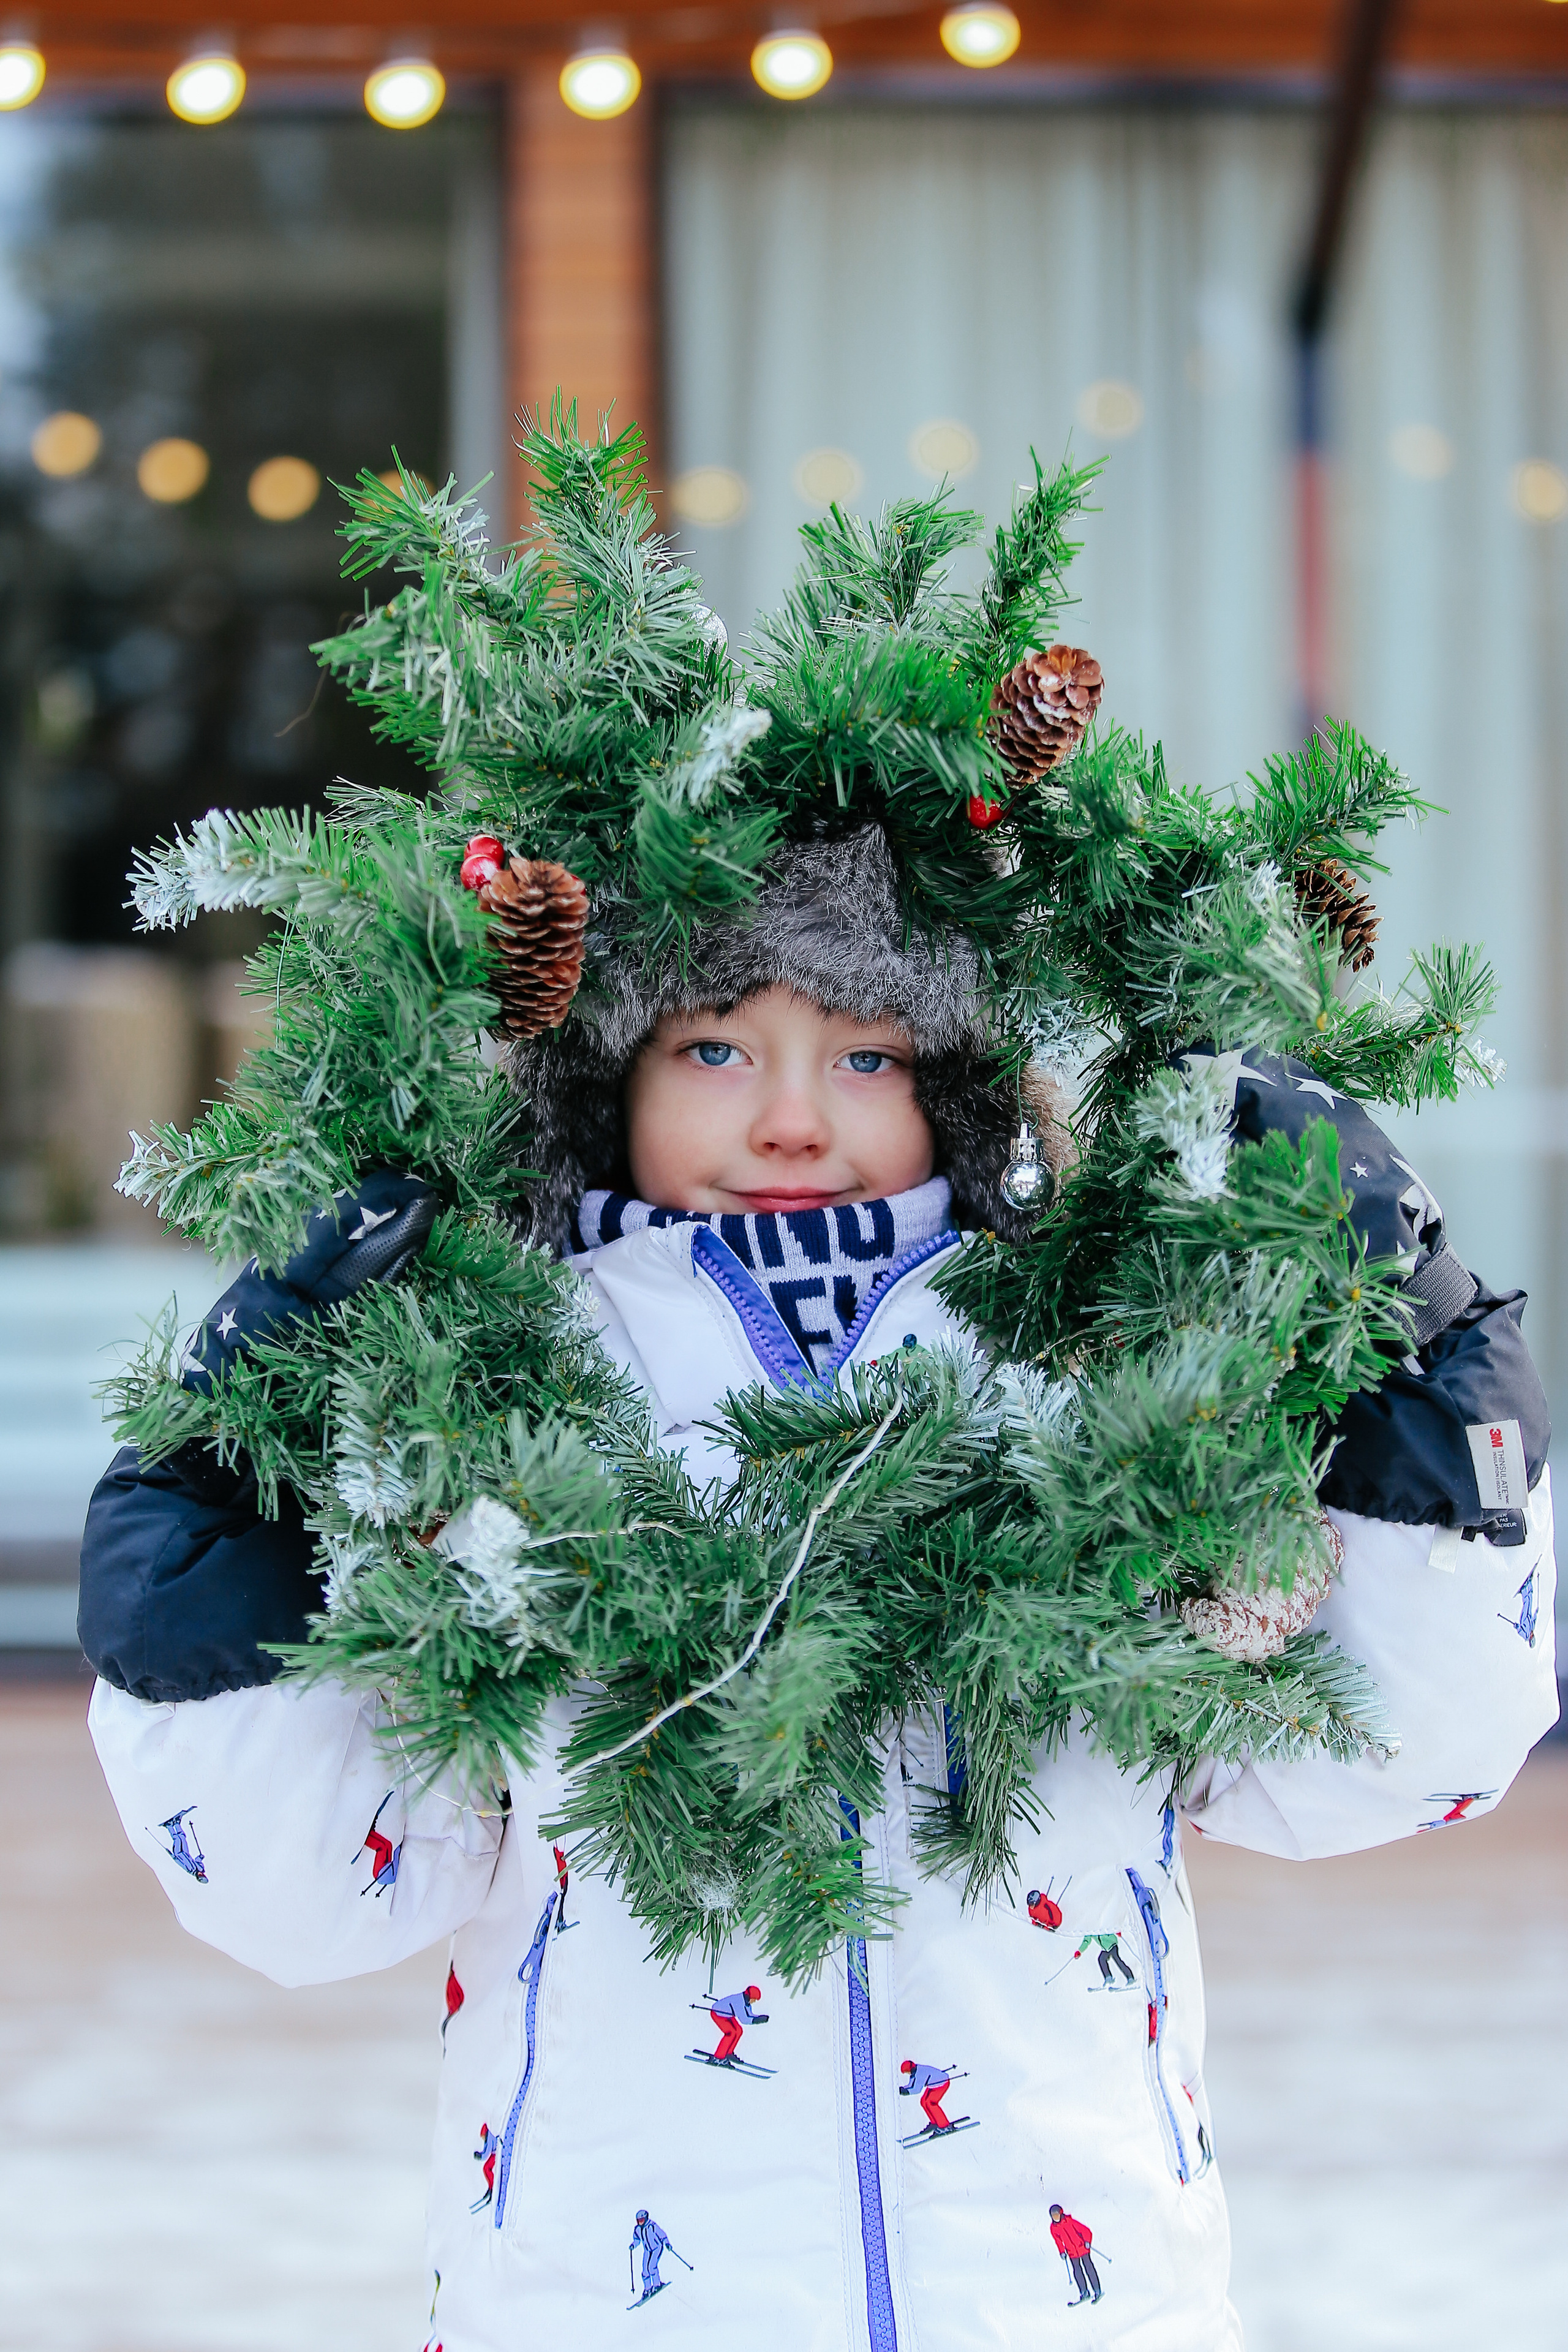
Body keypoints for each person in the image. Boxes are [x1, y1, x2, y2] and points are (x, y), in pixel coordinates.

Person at [78, 826, 1558, 2350]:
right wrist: (213, 1486)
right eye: (715, 1046)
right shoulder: (491, 1408)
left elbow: (1394, 1747)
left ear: (955, 1088)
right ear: (607, 1076)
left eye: (864, 1057)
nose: (790, 1120)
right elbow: (310, 1878)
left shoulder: (1087, 1370)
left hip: (1060, 2300)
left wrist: (1420, 1342)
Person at [1050, 2204, 1102, 2305]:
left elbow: (1086, 2231)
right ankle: (1084, 2292)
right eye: (1053, 2216)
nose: (1055, 2218)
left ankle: (1097, 2290)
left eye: (1057, 2215)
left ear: (1061, 2214)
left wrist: (1087, 2241)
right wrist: (1062, 2252)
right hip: (1072, 2252)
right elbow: (1058, 2241)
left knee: (1089, 2269)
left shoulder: (1070, 2222)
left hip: (1082, 2248)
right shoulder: (1054, 2228)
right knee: (1077, 2272)